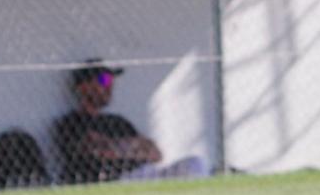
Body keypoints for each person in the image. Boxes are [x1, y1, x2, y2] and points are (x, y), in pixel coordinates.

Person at [52, 59, 210, 185]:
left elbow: (155, 154)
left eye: (111, 80)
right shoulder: (71, 122)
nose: (110, 85)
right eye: (104, 80)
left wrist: (114, 146)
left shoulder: (118, 121)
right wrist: (133, 146)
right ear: (83, 87)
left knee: (195, 163)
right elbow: (96, 151)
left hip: (143, 173)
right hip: (113, 180)